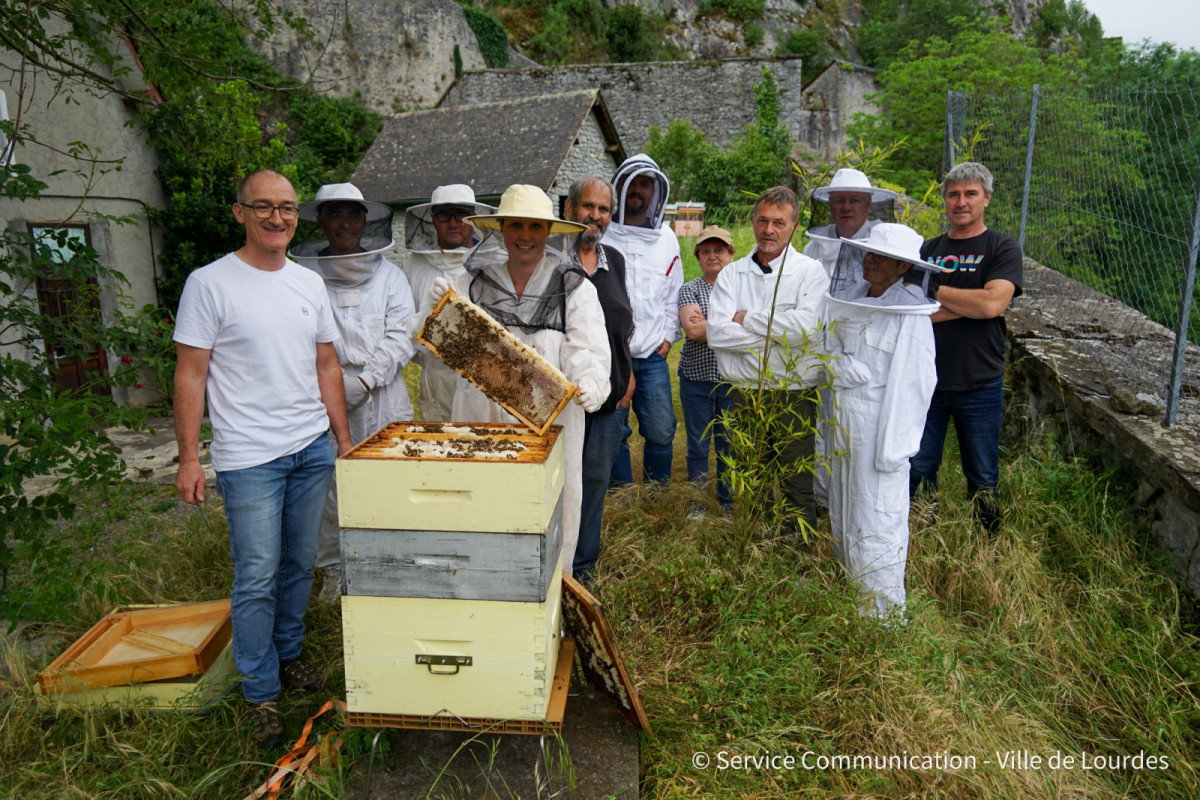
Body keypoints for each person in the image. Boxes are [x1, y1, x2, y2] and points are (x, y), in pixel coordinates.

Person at [173, 169, 353, 750]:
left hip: (310, 448)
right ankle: (260, 690)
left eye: (288, 208)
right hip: (249, 456)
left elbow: (326, 364)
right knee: (256, 576)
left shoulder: (307, 283)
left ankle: (289, 653)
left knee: (301, 564)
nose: (277, 218)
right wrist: (188, 458)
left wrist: (342, 438)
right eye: (264, 207)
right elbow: (191, 372)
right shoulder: (209, 283)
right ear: (239, 213)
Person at [425, 185, 610, 577]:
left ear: (549, 233)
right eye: (516, 225)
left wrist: (591, 377)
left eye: (535, 226)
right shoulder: (470, 280)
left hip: (549, 421)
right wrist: (435, 308)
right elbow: (434, 343)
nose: (525, 236)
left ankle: (549, 598)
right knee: (482, 503)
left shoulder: (576, 288)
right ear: (502, 229)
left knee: (547, 509)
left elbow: (586, 350)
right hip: (480, 414)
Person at [289, 182, 416, 604]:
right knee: (330, 485)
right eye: (336, 214)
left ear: (366, 221)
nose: (345, 223)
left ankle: (392, 563)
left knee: (393, 479)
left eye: (353, 214)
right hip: (323, 393)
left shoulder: (391, 275)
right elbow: (298, 337)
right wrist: (335, 385)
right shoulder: (304, 279)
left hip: (384, 395)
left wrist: (366, 379)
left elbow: (402, 334)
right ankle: (333, 571)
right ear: (320, 221)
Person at [820, 223, 938, 619]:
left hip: (878, 431)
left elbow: (916, 384)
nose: (871, 260)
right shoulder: (850, 297)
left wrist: (895, 450)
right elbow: (827, 347)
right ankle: (849, 592)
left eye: (882, 256)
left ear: (904, 267)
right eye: (869, 253)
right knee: (842, 507)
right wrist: (837, 367)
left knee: (876, 516)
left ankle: (882, 615)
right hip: (840, 422)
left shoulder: (911, 313)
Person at [708, 186, 829, 535]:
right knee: (754, 479)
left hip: (793, 393)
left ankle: (798, 559)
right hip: (746, 393)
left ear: (793, 226)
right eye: (762, 220)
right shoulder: (732, 274)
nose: (769, 230)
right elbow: (717, 333)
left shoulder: (810, 272)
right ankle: (759, 549)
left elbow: (805, 330)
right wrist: (777, 332)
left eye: (779, 222)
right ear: (754, 222)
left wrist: (745, 318)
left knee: (796, 482)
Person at [910, 162, 1023, 533]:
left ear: (986, 199)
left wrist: (935, 293)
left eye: (971, 194)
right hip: (927, 380)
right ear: (945, 200)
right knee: (919, 468)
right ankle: (923, 539)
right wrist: (968, 305)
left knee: (983, 473)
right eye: (954, 194)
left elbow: (993, 306)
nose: (961, 202)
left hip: (979, 381)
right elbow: (913, 314)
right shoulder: (927, 250)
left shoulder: (1002, 248)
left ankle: (986, 546)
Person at [563, 176, 634, 584]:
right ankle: (558, 563)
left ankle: (583, 570)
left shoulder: (616, 262)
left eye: (604, 209)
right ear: (570, 209)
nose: (596, 216)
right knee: (562, 480)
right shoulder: (554, 261)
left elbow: (624, 323)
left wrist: (628, 379)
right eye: (588, 207)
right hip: (565, 398)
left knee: (594, 480)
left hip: (610, 399)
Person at [602, 154, 682, 485]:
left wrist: (667, 338)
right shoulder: (603, 235)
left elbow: (672, 293)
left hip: (651, 355)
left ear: (655, 192)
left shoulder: (666, 238)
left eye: (645, 184)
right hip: (610, 355)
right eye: (632, 182)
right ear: (619, 185)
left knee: (662, 430)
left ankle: (656, 495)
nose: (637, 190)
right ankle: (622, 496)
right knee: (614, 428)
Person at [402, 184, 495, 421]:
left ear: (473, 218)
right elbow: (408, 325)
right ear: (433, 219)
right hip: (436, 378)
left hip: (486, 379)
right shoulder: (415, 264)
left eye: (461, 214)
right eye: (444, 215)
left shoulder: (493, 263)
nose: (453, 222)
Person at [677, 225, 736, 518]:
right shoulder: (689, 288)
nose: (713, 256)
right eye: (706, 251)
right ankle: (697, 504)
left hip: (732, 382)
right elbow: (693, 330)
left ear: (731, 254)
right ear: (698, 256)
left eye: (719, 250)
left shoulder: (741, 288)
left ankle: (728, 504)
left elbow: (754, 327)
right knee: (698, 446)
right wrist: (734, 321)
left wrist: (709, 322)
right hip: (696, 381)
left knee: (729, 446)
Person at [803, 168, 898, 277]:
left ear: (868, 204)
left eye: (854, 200)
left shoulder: (884, 247)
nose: (846, 208)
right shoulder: (813, 248)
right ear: (830, 204)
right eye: (840, 200)